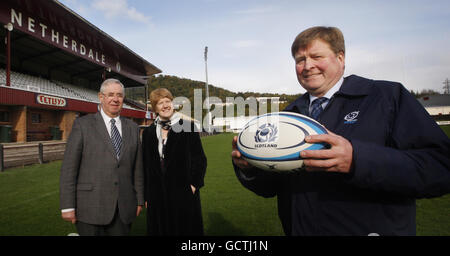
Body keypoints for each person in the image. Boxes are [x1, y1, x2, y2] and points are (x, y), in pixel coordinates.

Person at [231, 26, 450, 236]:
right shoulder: (287, 116)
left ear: (341, 58)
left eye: (317, 57)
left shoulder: (387, 97)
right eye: (300, 60)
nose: (307, 66)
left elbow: (441, 168)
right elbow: (272, 188)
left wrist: (357, 160)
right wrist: (251, 168)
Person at [60, 78, 144, 236]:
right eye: (110, 94)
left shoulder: (133, 128)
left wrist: (139, 199)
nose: (115, 99)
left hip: (124, 208)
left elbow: (137, 169)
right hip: (89, 207)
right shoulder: (82, 125)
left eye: (119, 95)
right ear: (101, 97)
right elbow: (69, 168)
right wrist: (67, 206)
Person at [142, 88, 207, 236]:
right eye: (160, 103)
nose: (165, 105)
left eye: (167, 101)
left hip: (183, 195)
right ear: (155, 108)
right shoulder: (148, 133)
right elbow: (145, 166)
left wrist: (193, 185)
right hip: (157, 197)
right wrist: (147, 195)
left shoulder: (188, 126)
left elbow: (200, 159)